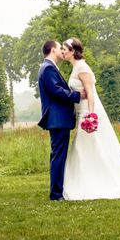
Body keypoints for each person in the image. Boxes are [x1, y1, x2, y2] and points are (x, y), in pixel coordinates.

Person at [61, 38, 120, 200]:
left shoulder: (82, 67)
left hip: (88, 113)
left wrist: (91, 115)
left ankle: (97, 182)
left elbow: (90, 93)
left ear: (73, 51)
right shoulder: (75, 67)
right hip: (81, 112)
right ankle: (85, 180)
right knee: (84, 148)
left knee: (85, 147)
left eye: (65, 49)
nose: (62, 51)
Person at [37, 40, 84, 201]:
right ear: (52, 50)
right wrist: (78, 96)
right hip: (57, 119)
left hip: (58, 119)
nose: (61, 51)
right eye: (59, 48)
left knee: (58, 155)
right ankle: (56, 194)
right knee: (58, 156)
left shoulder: (49, 67)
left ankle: (57, 191)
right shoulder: (48, 68)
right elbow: (57, 91)